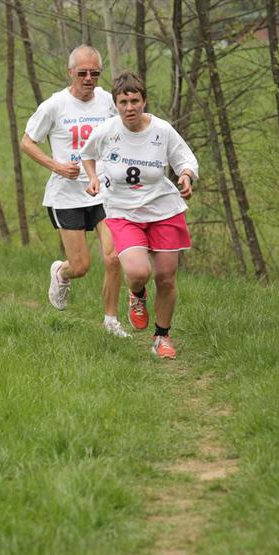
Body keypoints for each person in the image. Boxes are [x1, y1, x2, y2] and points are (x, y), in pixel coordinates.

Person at [80, 70, 198, 359]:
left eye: (134, 101)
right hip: (123, 211)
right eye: (123, 102)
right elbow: (87, 154)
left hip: (163, 209)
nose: (129, 107)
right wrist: (93, 178)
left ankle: (162, 337)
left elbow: (185, 158)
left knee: (166, 277)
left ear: (144, 101)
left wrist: (185, 175)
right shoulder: (107, 131)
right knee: (137, 273)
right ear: (116, 104)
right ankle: (137, 293)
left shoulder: (162, 130)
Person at [20, 45, 130, 338]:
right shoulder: (55, 105)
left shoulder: (108, 101)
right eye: (82, 73)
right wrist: (56, 166)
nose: (88, 79)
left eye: (95, 73)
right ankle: (62, 272)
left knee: (114, 257)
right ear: (70, 72)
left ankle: (111, 321)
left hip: (103, 189)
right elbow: (27, 142)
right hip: (67, 194)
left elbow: (128, 127)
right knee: (81, 267)